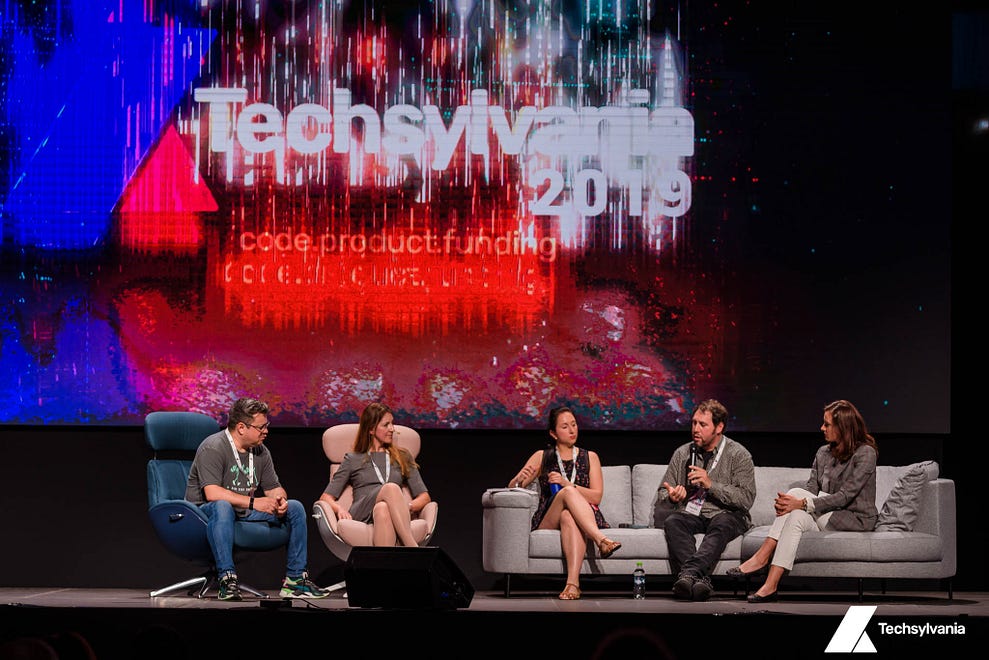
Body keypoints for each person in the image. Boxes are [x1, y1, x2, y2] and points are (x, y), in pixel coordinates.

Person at [729, 399, 879, 603]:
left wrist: (801, 503)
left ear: (842, 427)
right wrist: (792, 506)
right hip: (825, 515)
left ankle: (762, 556)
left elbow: (846, 496)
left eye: (827, 424)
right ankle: (770, 585)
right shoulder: (823, 452)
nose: (822, 428)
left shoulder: (866, 453)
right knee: (795, 516)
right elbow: (811, 490)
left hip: (854, 518)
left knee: (796, 494)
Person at [185, 397, 329, 601]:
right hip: (204, 513)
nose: (266, 431)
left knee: (295, 508)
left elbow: (273, 488)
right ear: (241, 427)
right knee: (223, 506)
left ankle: (295, 581)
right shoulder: (213, 447)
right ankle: (227, 578)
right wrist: (255, 503)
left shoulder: (261, 451)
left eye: (266, 425)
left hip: (242, 510)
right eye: (261, 427)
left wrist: (279, 500)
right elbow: (212, 493)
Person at [507, 405, 622, 600]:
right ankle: (601, 539)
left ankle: (572, 585)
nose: (571, 430)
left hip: (584, 514)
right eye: (565, 426)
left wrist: (566, 483)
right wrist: (518, 480)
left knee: (568, 515)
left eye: (574, 425)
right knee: (567, 492)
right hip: (549, 517)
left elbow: (596, 497)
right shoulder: (542, 456)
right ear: (553, 433)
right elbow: (512, 489)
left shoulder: (590, 457)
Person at [657, 399, 756, 601]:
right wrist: (672, 497)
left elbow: (746, 498)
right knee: (673, 521)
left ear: (719, 427)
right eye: (694, 423)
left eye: (703, 424)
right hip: (693, 513)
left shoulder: (739, 454)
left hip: (727, 514)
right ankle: (699, 579)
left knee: (722, 522)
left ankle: (688, 575)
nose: (695, 429)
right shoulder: (683, 453)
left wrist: (711, 484)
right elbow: (663, 492)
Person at [318, 402, 431, 547]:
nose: (392, 429)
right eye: (386, 425)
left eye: (392, 423)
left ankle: (384, 561)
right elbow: (326, 497)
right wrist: (339, 509)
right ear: (371, 429)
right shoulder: (353, 459)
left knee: (383, 508)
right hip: (362, 511)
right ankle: (411, 546)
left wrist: (405, 507)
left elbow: (424, 497)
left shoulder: (403, 456)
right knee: (390, 487)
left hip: (389, 511)